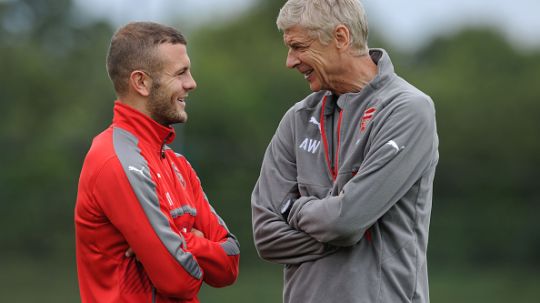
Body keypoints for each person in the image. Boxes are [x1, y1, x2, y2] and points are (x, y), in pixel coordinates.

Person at [251, 0, 439, 302]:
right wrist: (340, 226)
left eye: (299, 46)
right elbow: (266, 238)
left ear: (340, 38)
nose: (290, 61)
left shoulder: (408, 109)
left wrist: (294, 209)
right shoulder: (297, 118)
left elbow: (346, 221)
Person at [75, 22, 240, 303]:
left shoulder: (178, 164)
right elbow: (179, 280)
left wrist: (181, 242)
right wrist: (192, 241)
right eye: (181, 73)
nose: (192, 83)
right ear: (141, 82)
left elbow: (230, 262)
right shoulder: (114, 160)